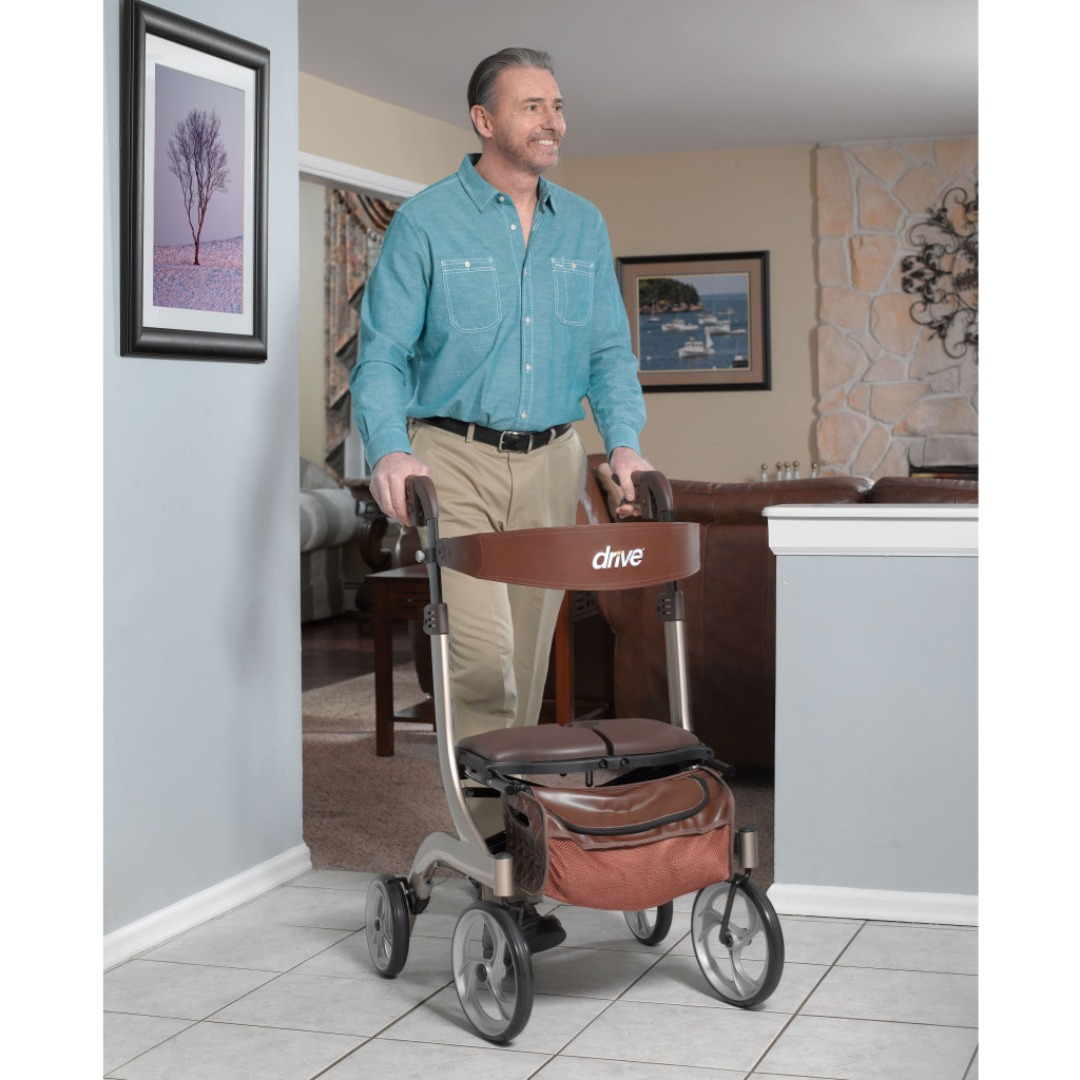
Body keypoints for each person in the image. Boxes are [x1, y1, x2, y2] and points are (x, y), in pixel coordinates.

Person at [350, 47, 651, 850]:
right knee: (482, 660)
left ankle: (504, 822)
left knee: (526, 660)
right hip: (453, 458)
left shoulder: (582, 223)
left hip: (555, 460)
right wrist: (388, 449)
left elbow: (608, 354)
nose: (552, 119)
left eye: (556, 104)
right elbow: (381, 352)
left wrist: (626, 446)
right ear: (485, 121)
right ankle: (497, 851)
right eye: (531, 106)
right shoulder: (426, 221)